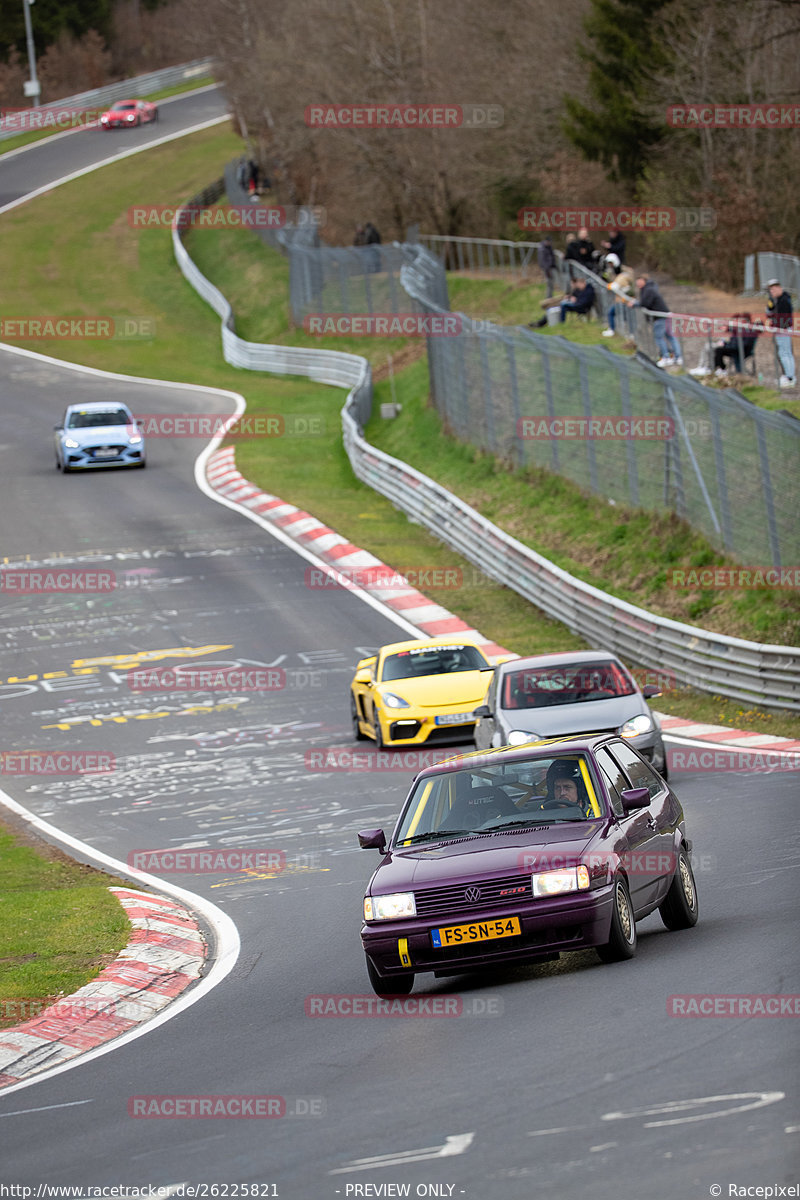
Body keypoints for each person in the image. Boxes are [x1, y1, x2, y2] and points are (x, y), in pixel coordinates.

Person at [635, 273, 682, 367]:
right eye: (637, 282)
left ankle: (666, 357)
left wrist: (635, 304)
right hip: (664, 315)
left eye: (639, 282)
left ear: (644, 281)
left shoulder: (648, 290)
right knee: (670, 336)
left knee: (659, 337)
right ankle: (677, 357)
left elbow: (646, 303)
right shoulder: (649, 288)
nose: (638, 284)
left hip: (660, 317)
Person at [765, 279, 796, 388]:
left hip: (783, 329)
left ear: (779, 288)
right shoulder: (776, 300)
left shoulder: (784, 300)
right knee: (784, 353)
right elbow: (769, 312)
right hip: (781, 328)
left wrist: (775, 325)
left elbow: (782, 317)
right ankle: (788, 376)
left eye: (773, 289)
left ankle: (790, 377)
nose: (772, 292)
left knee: (785, 353)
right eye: (770, 290)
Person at [530, 276, 596, 327]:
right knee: (556, 306)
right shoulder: (580, 290)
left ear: (583, 283)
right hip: (575, 304)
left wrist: (575, 300)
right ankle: (543, 321)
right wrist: (571, 298)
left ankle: (561, 322)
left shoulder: (588, 291)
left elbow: (583, 302)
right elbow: (574, 296)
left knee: (563, 305)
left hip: (581, 307)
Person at [600, 255, 635, 337]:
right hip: (619, 298)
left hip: (627, 299)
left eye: (611, 263)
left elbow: (630, 283)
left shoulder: (625, 272)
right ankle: (613, 329)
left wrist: (624, 289)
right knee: (612, 313)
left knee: (628, 317)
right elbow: (609, 280)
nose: (610, 265)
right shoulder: (610, 272)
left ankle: (631, 333)